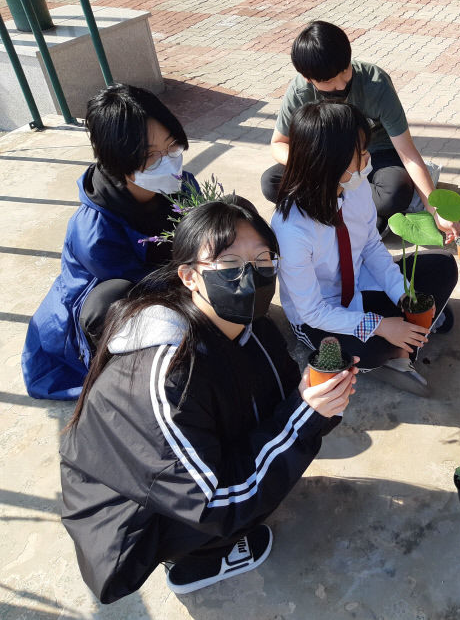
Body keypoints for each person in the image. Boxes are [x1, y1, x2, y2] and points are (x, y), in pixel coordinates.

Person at [60, 198, 358, 603]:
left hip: (186, 472)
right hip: (136, 520)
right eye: (229, 261)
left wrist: (319, 398)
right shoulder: (165, 374)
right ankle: (197, 559)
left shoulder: (252, 326)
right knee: (236, 506)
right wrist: (304, 418)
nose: (250, 275)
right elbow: (214, 502)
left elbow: (287, 395)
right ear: (190, 277)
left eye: (263, 258)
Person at [22, 83, 199, 400]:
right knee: (111, 300)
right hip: (109, 301)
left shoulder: (181, 185)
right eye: (150, 156)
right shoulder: (94, 230)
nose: (168, 161)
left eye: (172, 147)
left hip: (171, 277)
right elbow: (143, 288)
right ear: (118, 161)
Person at [271, 101, 458, 397]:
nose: (368, 159)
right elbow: (314, 311)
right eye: (360, 154)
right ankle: (397, 352)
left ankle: (404, 339)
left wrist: (403, 295)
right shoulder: (292, 229)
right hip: (323, 314)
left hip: (360, 283)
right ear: (329, 163)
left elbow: (370, 245)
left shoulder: (355, 187)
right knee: (369, 350)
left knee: (443, 266)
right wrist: (381, 326)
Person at [261, 20, 460, 240]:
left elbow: (407, 152)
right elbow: (278, 144)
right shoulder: (300, 91)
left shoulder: (376, 83)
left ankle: (337, 208)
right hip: (327, 161)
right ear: (308, 78)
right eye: (328, 81)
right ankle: (365, 215)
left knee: (394, 194)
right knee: (272, 182)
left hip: (374, 157)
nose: (341, 85)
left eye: (344, 71)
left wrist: (435, 210)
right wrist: (318, 167)